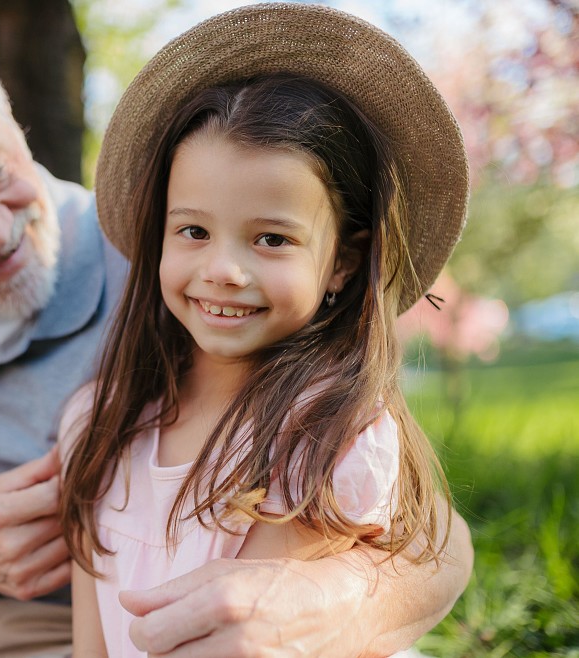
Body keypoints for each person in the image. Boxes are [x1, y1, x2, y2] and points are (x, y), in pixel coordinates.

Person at [0, 23, 474, 657]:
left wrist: (331, 599)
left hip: (66, 626)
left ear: (9, 114)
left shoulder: (161, 272)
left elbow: (427, 537)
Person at [58, 5, 470, 657]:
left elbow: (250, 636)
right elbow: (92, 645)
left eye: (271, 238)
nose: (221, 270)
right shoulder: (97, 420)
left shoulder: (324, 437)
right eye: (192, 230)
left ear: (339, 262)